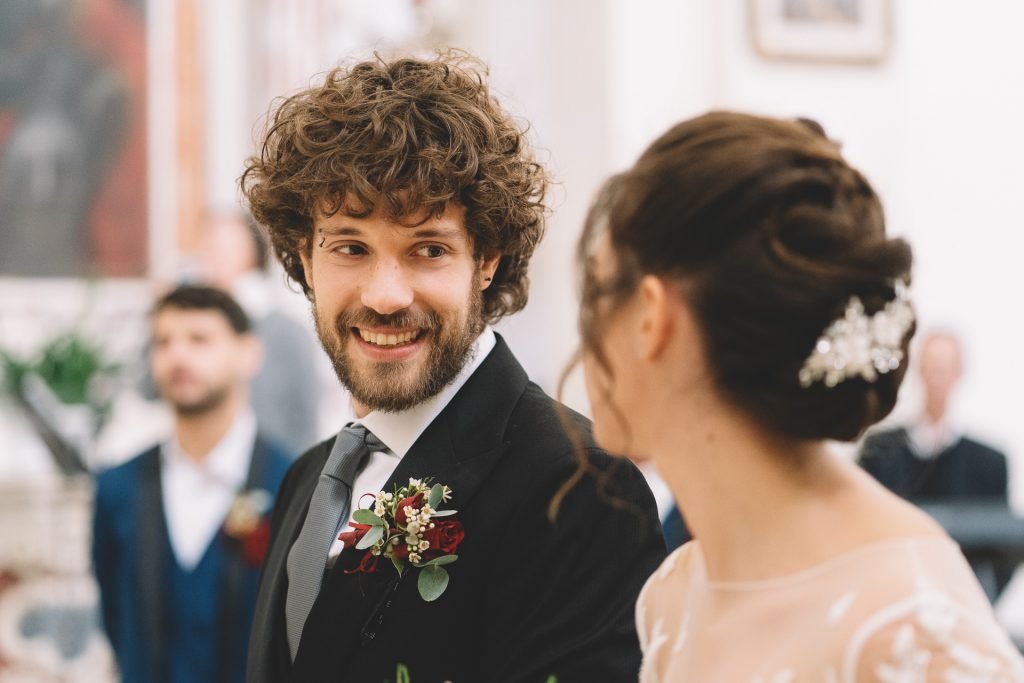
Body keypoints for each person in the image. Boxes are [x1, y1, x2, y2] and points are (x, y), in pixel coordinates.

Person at [240, 51, 665, 683]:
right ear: (304, 256)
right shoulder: (308, 478)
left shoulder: (580, 491)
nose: (386, 295)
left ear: (486, 259)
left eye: (429, 249)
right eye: (350, 247)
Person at [575, 112, 1024, 680]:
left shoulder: (913, 629)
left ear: (651, 317)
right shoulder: (673, 595)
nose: (583, 335)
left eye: (596, 287)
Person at [92, 285, 292, 683]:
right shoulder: (117, 487)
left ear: (249, 354)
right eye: (163, 342)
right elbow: (115, 614)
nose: (177, 356)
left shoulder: (292, 481)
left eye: (199, 339)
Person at [198, 210, 321, 455]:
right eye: (209, 248)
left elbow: (306, 417)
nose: (213, 258)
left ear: (251, 253)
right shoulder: (192, 326)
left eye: (225, 249)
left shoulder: (285, 331)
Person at [860, 331, 1008, 502]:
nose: (937, 379)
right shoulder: (879, 452)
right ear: (920, 370)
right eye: (932, 368)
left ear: (958, 373)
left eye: (944, 369)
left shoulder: (988, 464)